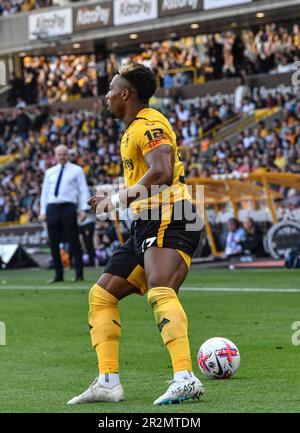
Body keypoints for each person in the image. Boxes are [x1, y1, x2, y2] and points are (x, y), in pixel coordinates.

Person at [68, 63, 205, 406]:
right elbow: (146, 179)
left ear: (126, 93)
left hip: (173, 214)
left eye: (111, 89)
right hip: (146, 222)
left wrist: (114, 200)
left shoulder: (151, 123)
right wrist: (116, 198)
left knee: (160, 291)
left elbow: (162, 171)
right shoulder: (131, 130)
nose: (107, 96)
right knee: (101, 297)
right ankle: (108, 382)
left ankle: (185, 378)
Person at [39, 145, 90, 283]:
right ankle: (58, 275)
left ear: (68, 155)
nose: (62, 156)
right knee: (53, 243)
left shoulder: (77, 170)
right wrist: (43, 211)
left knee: (74, 241)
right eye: (59, 154)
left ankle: (79, 274)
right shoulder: (49, 172)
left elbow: (83, 190)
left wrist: (83, 209)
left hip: (69, 207)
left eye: (64, 154)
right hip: (52, 208)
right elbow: (44, 193)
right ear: (55, 156)